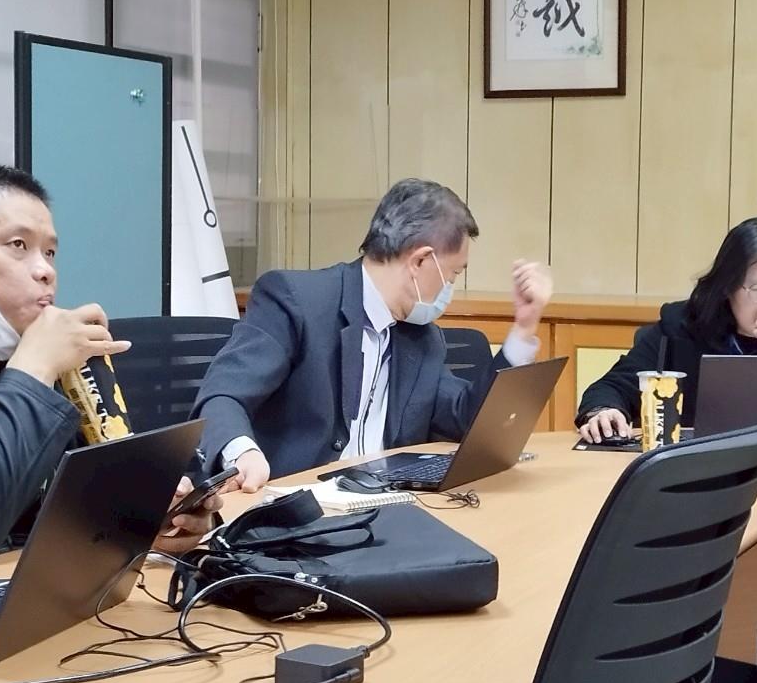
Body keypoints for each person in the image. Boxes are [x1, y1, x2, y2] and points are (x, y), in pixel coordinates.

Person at [0, 162, 216, 574]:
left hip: (37, 586)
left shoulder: (53, 359)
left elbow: (86, 499)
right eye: (18, 245)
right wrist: (33, 369)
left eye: (50, 252)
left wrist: (155, 519)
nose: (45, 270)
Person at [198, 179, 554, 491]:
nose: (449, 287)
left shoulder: (423, 339)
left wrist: (524, 328)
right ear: (420, 261)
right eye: (453, 274)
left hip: (387, 506)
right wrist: (243, 452)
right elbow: (223, 395)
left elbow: (466, 420)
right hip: (297, 508)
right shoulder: (297, 300)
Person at [574, 217, 757, 442]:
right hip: (704, 475)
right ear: (728, 287)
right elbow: (611, 387)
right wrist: (604, 411)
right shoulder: (684, 326)